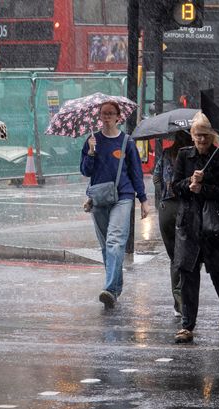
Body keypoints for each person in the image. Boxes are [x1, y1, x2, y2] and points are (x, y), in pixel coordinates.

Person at [171, 111, 219, 343]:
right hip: (189, 224)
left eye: (206, 136)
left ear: (212, 136)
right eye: (198, 135)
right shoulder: (183, 156)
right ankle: (187, 325)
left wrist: (205, 187)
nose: (201, 140)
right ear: (191, 135)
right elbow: (174, 187)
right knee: (188, 275)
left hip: (214, 226)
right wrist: (189, 183)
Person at [80, 100, 150, 309]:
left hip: (123, 196)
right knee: (106, 247)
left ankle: (109, 288)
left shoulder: (127, 142)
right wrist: (91, 152)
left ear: (119, 117)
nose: (107, 116)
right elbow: (85, 171)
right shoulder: (92, 140)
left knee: (115, 243)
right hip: (99, 198)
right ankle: (115, 289)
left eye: (111, 113)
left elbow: (136, 172)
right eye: (104, 113)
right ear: (99, 117)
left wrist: (143, 200)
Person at [153, 130, 193, 317]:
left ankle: (178, 302)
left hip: (167, 208)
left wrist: (160, 200)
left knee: (174, 257)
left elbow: (156, 178)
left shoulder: (166, 154)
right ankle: (183, 295)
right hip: (188, 207)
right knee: (189, 255)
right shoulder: (194, 156)